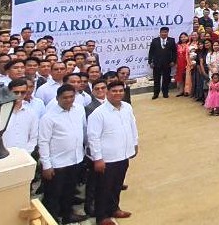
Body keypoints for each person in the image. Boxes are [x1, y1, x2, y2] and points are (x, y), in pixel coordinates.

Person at [87, 80, 138, 224]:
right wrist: (98, 158)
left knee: (117, 185)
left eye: (120, 91)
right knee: (104, 188)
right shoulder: (99, 113)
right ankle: (102, 216)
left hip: (123, 154)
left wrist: (135, 143)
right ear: (107, 92)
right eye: (114, 91)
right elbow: (93, 137)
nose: (118, 93)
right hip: (107, 158)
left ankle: (114, 208)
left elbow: (132, 125)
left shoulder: (127, 107)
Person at [38, 84, 86, 224]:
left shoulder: (79, 110)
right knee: (53, 195)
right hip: (57, 163)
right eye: (65, 97)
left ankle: (67, 215)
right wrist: (46, 165)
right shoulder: (49, 117)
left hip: (76, 159)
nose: (69, 100)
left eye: (71, 97)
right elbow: (43, 142)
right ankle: (51, 220)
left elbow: (83, 129)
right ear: (57, 98)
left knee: (69, 191)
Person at [146, 26, 176, 99]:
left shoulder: (171, 40)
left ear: (167, 33)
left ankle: (165, 93)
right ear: (160, 33)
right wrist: (150, 62)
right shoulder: (154, 41)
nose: (164, 33)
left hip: (167, 63)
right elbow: (151, 52)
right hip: (156, 64)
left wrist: (173, 61)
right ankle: (156, 94)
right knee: (156, 79)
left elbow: (174, 52)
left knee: (166, 79)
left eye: (165, 32)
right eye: (162, 32)